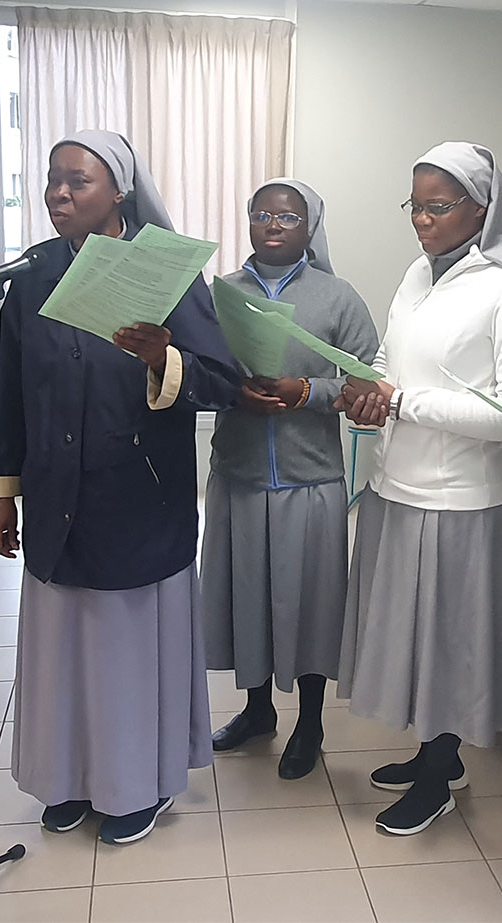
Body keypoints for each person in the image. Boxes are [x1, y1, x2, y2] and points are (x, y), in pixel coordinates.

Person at [0, 130, 241, 844]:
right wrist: (4, 489)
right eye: (51, 179)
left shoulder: (164, 273)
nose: (58, 194)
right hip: (55, 491)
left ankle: (138, 784)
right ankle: (68, 777)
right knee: (63, 648)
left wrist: (166, 358)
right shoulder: (33, 275)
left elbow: (221, 380)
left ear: (118, 191)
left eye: (78, 181)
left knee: (123, 655)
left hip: (136, 495)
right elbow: (13, 390)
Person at [336, 142, 502, 835]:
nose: (421, 219)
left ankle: (439, 776)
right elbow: (389, 359)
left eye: (437, 206)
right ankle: (432, 751)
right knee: (412, 633)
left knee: (449, 640)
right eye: (415, 205)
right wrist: (367, 387)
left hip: (462, 498)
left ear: (480, 210)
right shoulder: (417, 275)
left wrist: (401, 403)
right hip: (397, 482)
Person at [201, 179, 379, 780]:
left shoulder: (337, 296)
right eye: (262, 215)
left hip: (313, 478)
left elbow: (369, 381)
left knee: (309, 604)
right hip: (240, 473)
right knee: (248, 598)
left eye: (288, 216)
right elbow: (199, 372)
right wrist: (235, 391)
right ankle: (255, 712)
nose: (273, 225)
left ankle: (309, 722)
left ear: (310, 227)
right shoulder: (221, 293)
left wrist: (308, 391)